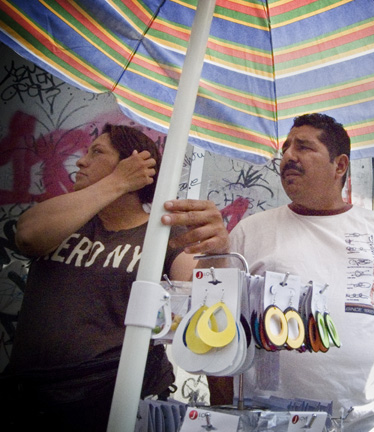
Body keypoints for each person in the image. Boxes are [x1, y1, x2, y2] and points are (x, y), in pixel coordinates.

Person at [212, 113, 374, 432]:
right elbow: (222, 329)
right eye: (286, 147)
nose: (288, 156)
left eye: (304, 147)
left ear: (340, 165)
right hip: (269, 423)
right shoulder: (249, 233)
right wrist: (224, 413)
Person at [2, 124, 229, 431]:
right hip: (27, 396)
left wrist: (219, 250)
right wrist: (117, 182)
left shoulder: (163, 233)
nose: (81, 162)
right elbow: (27, 236)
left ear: (137, 163)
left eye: (96, 152)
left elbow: (203, 292)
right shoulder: (66, 219)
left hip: (112, 399)